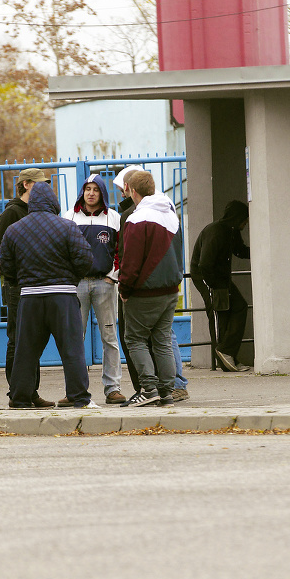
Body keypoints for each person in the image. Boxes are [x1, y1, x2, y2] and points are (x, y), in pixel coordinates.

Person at [0, 182, 98, 409]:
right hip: (62, 297)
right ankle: (79, 397)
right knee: (72, 349)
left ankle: (20, 398)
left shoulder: (14, 229)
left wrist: (20, 282)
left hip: (30, 297)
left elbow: (5, 263)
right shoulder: (67, 227)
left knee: (26, 351)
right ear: (53, 202)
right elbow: (85, 259)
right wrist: (70, 280)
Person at [114, 166, 190, 402]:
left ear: (133, 191)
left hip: (144, 291)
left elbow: (131, 260)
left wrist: (124, 289)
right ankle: (167, 390)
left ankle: (148, 389)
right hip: (169, 290)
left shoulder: (137, 219)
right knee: (163, 339)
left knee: (135, 339)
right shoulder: (171, 214)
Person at [63, 173, 125, 405]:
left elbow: (120, 250)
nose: (91, 193)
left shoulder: (114, 218)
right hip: (76, 284)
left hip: (104, 284)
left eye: (95, 189)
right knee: (74, 337)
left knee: (109, 337)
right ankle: (75, 391)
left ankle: (113, 388)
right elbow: (62, 250)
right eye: (87, 189)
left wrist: (112, 277)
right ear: (82, 192)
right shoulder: (70, 217)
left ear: (102, 193)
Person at [0, 167, 55, 408]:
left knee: (34, 337)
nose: (46, 187)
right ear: (27, 184)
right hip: (19, 287)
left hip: (36, 284)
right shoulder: (12, 213)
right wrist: (16, 280)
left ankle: (31, 391)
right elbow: (3, 254)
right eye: (40, 183)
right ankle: (17, 390)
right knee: (17, 339)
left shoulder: (38, 211)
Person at [190, 200, 251, 372]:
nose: (246, 223)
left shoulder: (232, 231)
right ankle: (223, 356)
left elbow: (239, 250)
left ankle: (226, 352)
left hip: (220, 278)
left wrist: (261, 250)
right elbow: (204, 264)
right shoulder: (215, 232)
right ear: (237, 218)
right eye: (244, 219)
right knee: (218, 313)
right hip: (207, 278)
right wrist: (215, 287)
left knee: (239, 306)